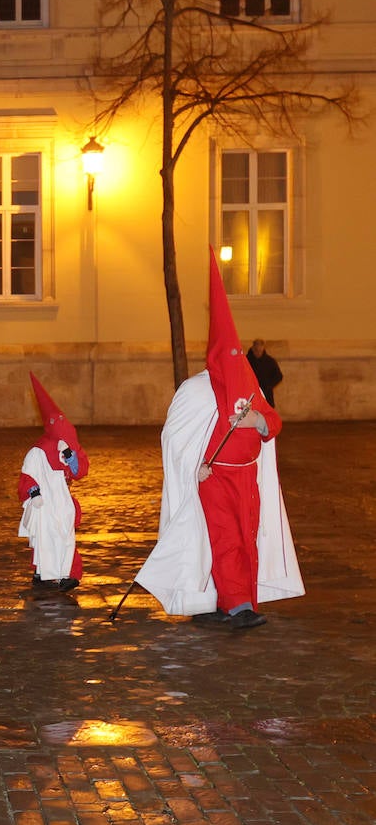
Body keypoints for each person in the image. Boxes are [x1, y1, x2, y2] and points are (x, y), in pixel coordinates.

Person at [136, 254, 304, 630]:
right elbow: (175, 438)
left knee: (246, 538)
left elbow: (272, 422)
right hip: (213, 479)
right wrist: (193, 466)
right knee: (225, 539)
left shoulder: (250, 386)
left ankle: (229, 597)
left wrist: (258, 420)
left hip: (247, 479)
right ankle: (238, 604)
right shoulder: (195, 392)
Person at [17, 373, 88, 593]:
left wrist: (71, 459)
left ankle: (70, 573)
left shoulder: (69, 445)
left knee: (66, 536)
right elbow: (27, 476)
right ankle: (41, 572)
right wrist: (33, 492)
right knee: (43, 538)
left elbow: (80, 471)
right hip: (45, 503)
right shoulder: (38, 451)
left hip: (63, 501)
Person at [246, 339, 283, 407]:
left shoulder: (270, 361)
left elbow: (279, 376)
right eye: (256, 350)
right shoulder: (246, 361)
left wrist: (268, 385)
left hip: (266, 394)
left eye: (260, 350)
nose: (258, 353)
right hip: (250, 393)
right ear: (253, 348)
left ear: (263, 348)